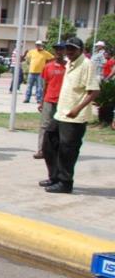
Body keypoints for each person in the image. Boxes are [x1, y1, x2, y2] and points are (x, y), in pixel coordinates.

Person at [41, 37, 99, 194]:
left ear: (81, 50)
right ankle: (54, 177)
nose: (69, 51)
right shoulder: (69, 64)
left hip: (75, 117)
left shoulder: (86, 64)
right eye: (67, 48)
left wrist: (77, 109)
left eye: (73, 48)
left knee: (67, 150)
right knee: (48, 144)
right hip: (61, 113)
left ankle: (65, 183)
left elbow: (94, 91)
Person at [34, 42, 67, 159]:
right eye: (56, 49)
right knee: (44, 126)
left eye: (61, 49)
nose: (58, 52)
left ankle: (59, 151)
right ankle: (41, 150)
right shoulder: (48, 66)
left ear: (65, 51)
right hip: (49, 100)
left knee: (61, 127)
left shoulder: (68, 67)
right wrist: (42, 101)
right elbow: (45, 86)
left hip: (63, 101)